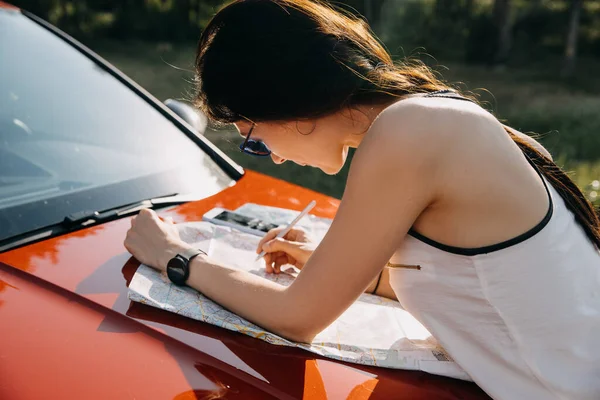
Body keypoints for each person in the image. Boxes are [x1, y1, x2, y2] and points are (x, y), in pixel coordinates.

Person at [123, 0, 600, 398]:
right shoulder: (443, 116)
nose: (273, 158)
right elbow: (493, 286)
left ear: (282, 97)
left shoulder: (411, 131)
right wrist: (325, 265)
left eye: (252, 138)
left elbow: (297, 319)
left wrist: (175, 256)